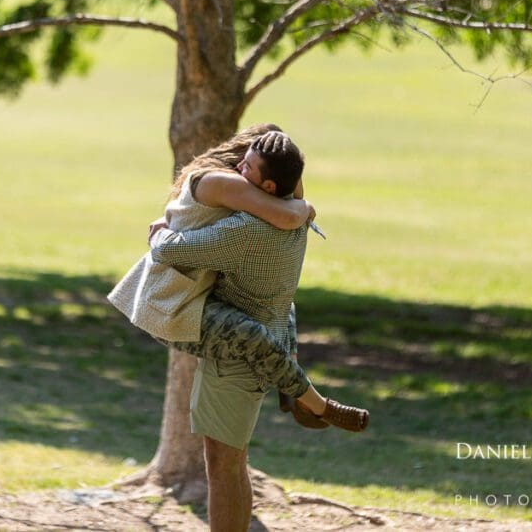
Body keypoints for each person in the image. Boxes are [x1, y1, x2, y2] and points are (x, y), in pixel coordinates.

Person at [148, 133, 366, 531]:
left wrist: (161, 230)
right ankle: (305, 400)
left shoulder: (247, 231)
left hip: (238, 362)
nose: (236, 170)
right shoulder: (295, 217)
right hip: (266, 335)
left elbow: (170, 251)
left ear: (268, 186)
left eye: (246, 167)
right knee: (232, 463)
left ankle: (311, 401)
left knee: (223, 468)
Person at [109, 125, 368, 430]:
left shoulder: (240, 182)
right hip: (171, 303)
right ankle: (318, 404)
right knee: (251, 335)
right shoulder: (226, 183)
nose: (243, 168)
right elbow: (290, 212)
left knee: (282, 307)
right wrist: (307, 208)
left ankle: (291, 387)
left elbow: (290, 191)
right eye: (245, 162)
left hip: (194, 291)